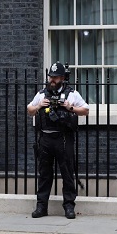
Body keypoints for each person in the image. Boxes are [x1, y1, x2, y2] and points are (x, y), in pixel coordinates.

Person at [27, 61, 89, 219]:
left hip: (63, 139)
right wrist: (39, 105)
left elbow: (86, 110)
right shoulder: (42, 94)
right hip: (45, 138)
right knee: (44, 174)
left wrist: (70, 108)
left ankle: (69, 207)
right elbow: (29, 110)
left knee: (67, 173)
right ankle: (41, 207)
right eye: (50, 77)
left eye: (55, 77)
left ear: (62, 78)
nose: (52, 80)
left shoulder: (71, 94)